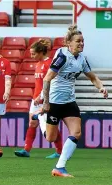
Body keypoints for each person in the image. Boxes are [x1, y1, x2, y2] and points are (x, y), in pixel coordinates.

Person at [40, 25, 108, 177]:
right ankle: (40, 118)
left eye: (83, 41)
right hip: (55, 101)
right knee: (51, 138)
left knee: (76, 133)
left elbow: (92, 77)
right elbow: (47, 78)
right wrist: (46, 102)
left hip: (69, 101)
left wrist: (101, 88)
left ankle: (59, 167)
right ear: (68, 43)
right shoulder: (62, 57)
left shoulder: (82, 59)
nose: (81, 44)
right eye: (78, 41)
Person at [14, 39, 63, 159]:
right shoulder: (38, 64)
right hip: (35, 98)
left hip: (46, 99)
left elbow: (50, 83)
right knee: (32, 122)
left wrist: (41, 97)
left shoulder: (49, 64)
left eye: (33, 53)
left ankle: (60, 151)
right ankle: (26, 149)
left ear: (41, 52)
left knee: (51, 126)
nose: (31, 56)